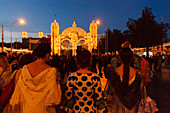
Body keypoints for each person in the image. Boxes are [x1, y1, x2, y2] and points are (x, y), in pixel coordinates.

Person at [6, 43, 61, 113]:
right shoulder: (51, 70)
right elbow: (53, 95)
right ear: (47, 54)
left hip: (26, 108)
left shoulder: (25, 68)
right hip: (43, 108)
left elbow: (18, 91)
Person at [105, 47, 145, 113]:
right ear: (132, 58)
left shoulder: (114, 73)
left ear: (119, 58)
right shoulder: (138, 74)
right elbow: (142, 94)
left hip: (118, 109)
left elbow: (109, 94)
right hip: (134, 109)